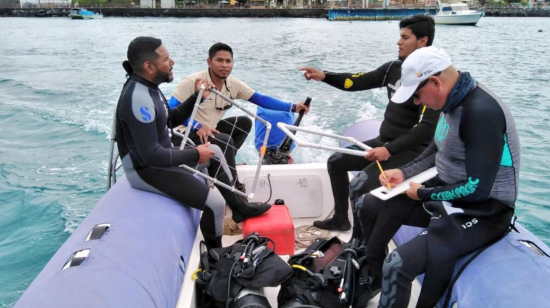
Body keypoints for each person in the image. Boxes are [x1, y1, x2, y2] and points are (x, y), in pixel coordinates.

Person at [356, 46, 519, 308]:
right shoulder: (451, 101)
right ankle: (370, 276)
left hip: (486, 210)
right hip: (448, 189)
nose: (417, 102)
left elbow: (477, 189)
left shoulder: (480, 113)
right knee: (369, 203)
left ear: (435, 82)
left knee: (398, 264)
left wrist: (422, 193)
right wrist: (404, 173)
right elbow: (436, 150)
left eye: (418, 95)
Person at [115, 37, 269, 248]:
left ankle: (240, 209)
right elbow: (151, 155)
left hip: (161, 157)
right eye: (166, 59)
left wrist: (198, 96)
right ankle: (216, 255)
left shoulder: (150, 88)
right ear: (149, 66)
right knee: (215, 204)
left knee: (214, 150)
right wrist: (196, 154)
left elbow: (169, 119)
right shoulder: (138, 98)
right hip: (145, 171)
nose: (172, 62)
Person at [299, 15, 439, 232]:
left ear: (422, 41)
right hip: (384, 141)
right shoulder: (393, 68)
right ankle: (340, 219)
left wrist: (388, 150)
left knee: (359, 185)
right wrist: (324, 76)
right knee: (336, 161)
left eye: (405, 37)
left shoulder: (431, 78)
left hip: (410, 151)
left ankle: (358, 242)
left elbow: (427, 128)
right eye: (399, 37)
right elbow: (358, 81)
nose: (398, 42)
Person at [168, 42, 309, 187]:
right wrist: (196, 126)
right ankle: (232, 183)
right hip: (184, 135)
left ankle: (225, 163)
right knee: (224, 139)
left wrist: (293, 107)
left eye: (228, 61)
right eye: (219, 60)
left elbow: (260, 99)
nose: (224, 65)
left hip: (210, 131)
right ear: (209, 62)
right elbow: (170, 109)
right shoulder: (192, 81)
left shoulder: (233, 84)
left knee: (244, 123)